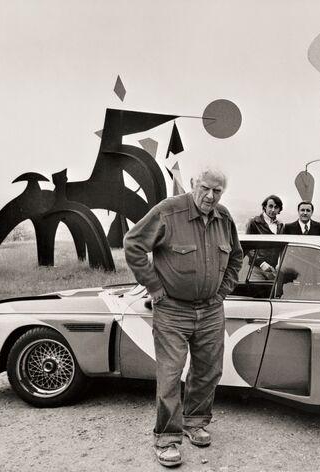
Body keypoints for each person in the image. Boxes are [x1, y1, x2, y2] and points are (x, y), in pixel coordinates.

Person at [124, 168, 243, 468]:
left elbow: (236, 257)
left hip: (211, 309)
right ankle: (166, 438)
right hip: (172, 310)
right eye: (205, 188)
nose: (210, 196)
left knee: (209, 370)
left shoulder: (224, 217)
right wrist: (155, 288)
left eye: (217, 191)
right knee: (170, 374)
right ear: (193, 184)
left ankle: (195, 422)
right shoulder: (168, 211)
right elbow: (133, 244)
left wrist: (222, 292)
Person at [245, 195, 284, 279]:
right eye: (270, 206)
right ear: (265, 207)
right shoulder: (254, 222)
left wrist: (280, 263)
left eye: (276, 207)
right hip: (256, 268)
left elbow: (281, 246)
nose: (273, 210)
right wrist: (261, 263)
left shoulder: (280, 225)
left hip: (273, 269)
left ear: (279, 209)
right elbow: (248, 246)